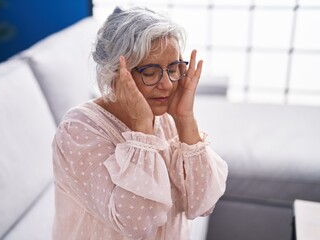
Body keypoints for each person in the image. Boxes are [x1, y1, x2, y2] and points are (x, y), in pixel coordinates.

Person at [52, 6, 228, 240]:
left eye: (173, 68)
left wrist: (185, 119)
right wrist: (142, 129)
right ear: (115, 73)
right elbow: (136, 225)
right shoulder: (77, 131)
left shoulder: (166, 116)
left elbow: (201, 203)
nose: (166, 84)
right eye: (150, 71)